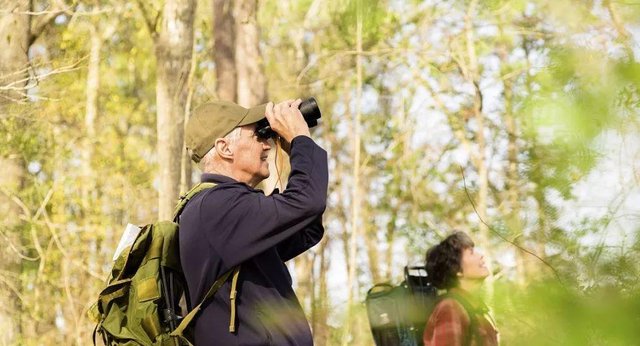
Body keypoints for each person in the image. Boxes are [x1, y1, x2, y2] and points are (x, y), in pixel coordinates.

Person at [179, 99, 328, 345]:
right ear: (225, 148)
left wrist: (295, 149)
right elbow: (306, 203)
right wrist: (301, 139)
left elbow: (306, 227)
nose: (267, 144)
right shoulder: (216, 206)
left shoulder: (226, 207)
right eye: (257, 136)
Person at [423, 231, 499, 346]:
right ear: (456, 269)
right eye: (471, 253)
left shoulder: (474, 307)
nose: (481, 255)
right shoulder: (450, 308)